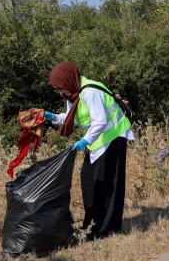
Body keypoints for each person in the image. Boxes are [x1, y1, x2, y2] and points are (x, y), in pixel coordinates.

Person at [44, 61, 134, 240]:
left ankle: (107, 230)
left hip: (113, 137)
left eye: (60, 87)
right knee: (89, 182)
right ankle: (92, 225)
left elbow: (100, 121)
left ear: (69, 80)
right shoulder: (74, 95)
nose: (60, 92)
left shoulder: (90, 91)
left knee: (108, 185)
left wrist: (85, 140)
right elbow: (73, 119)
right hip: (98, 141)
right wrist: (52, 116)